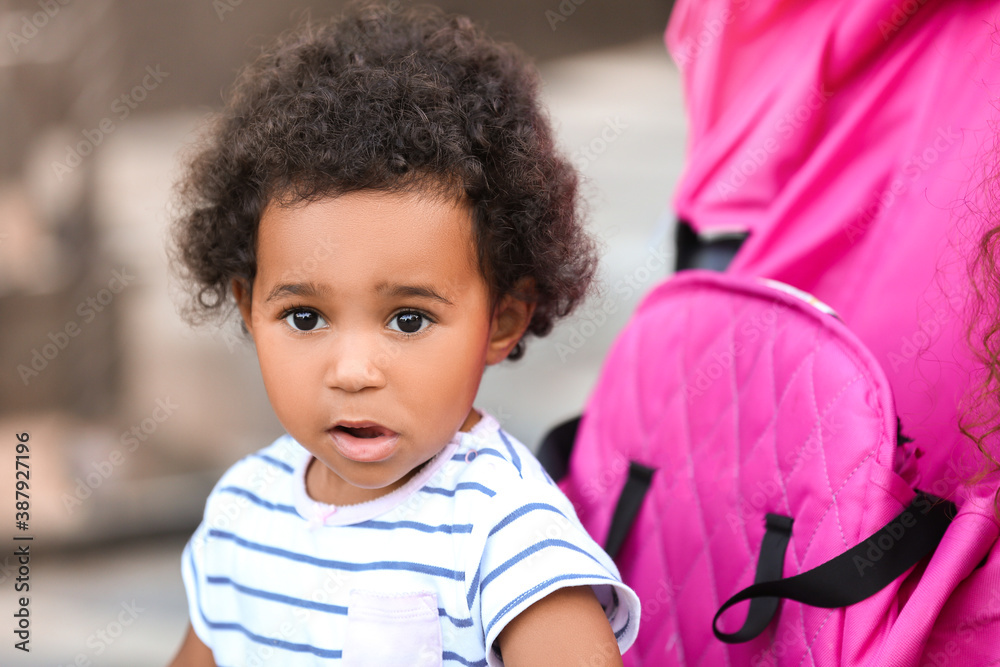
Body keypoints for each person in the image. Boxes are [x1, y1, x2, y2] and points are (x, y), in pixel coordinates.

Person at [164, 2, 639, 666]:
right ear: (248, 308)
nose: (353, 369)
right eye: (305, 317)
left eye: (408, 319)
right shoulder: (244, 510)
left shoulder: (504, 535)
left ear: (501, 320)